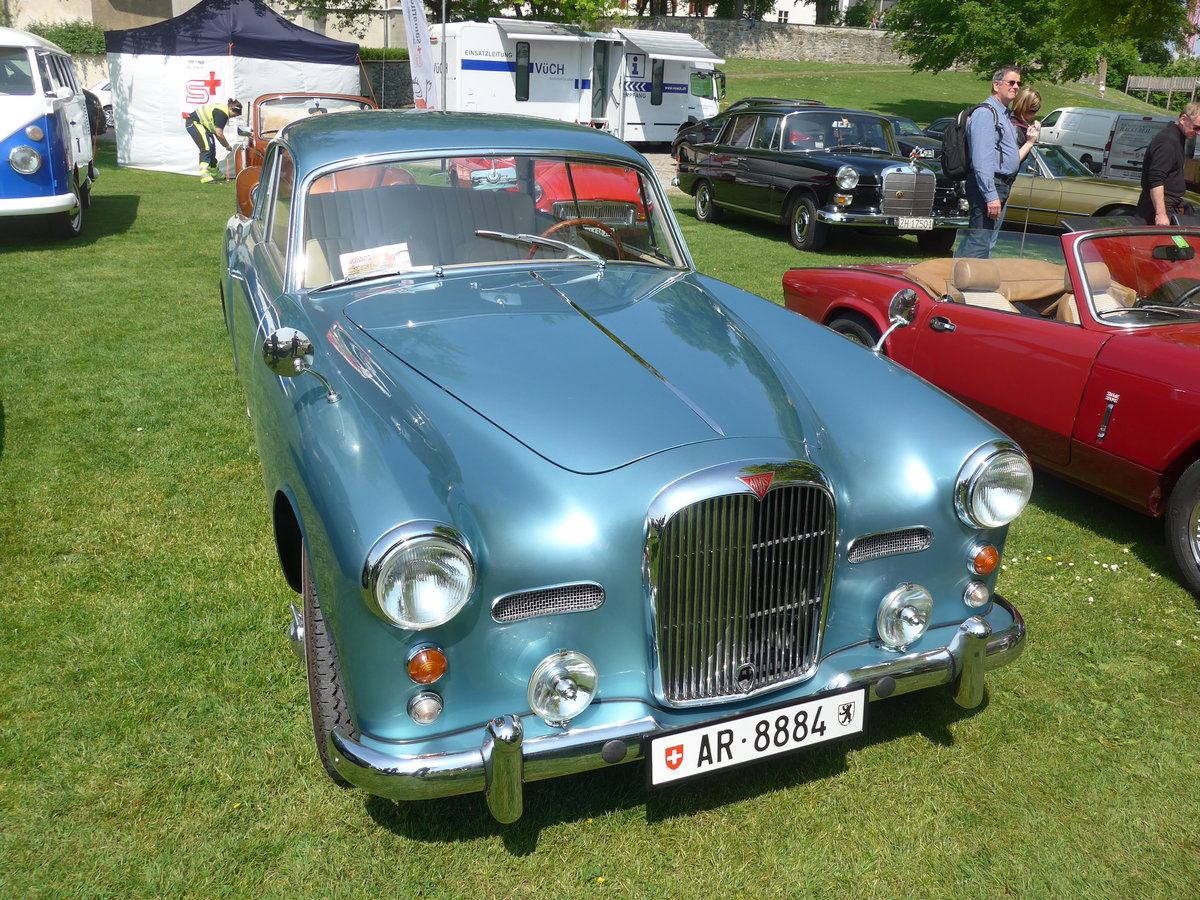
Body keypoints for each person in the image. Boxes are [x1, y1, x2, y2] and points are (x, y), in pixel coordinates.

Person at [955, 66, 1023, 259]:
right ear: (996, 85)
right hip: (989, 185)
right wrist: (990, 195)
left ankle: (963, 274)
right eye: (1011, 82)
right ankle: (961, 277)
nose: (1016, 87)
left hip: (1001, 185)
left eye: (1018, 83)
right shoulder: (986, 113)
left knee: (984, 242)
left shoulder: (1003, 114)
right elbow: (981, 159)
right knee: (979, 241)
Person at [1135, 102, 1200, 225]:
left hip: (1168, 204)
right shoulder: (1168, 141)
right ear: (1183, 119)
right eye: (1196, 127)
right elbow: (1156, 178)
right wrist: (1161, 214)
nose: (1198, 133)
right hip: (1158, 208)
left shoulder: (1177, 137)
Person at [185, 97, 242, 184]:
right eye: (235, 114)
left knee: (211, 148)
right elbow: (219, 133)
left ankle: (215, 172)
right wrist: (227, 145)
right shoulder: (223, 113)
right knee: (207, 148)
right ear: (231, 108)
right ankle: (204, 174)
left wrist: (225, 145)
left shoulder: (223, 110)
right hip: (194, 123)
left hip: (203, 126)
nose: (234, 117)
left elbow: (217, 132)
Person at [1009, 87, 1042, 164]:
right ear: (1022, 108)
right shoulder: (1015, 129)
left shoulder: (1007, 117)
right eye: (1032, 111)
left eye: (1037, 110)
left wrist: (1032, 128)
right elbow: (1011, 162)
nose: (1035, 114)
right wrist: (1029, 142)